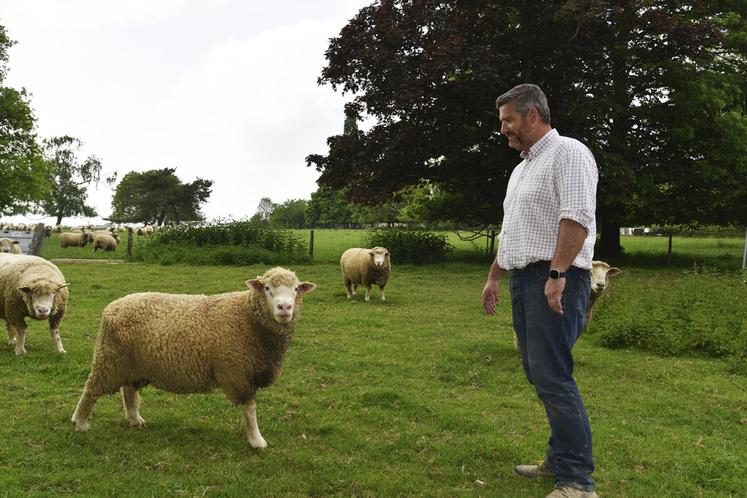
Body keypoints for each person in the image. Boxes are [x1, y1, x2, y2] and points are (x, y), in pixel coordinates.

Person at [482, 84, 599, 498]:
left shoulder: (569, 153)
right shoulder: (522, 168)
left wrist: (557, 274)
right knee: (540, 373)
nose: (503, 129)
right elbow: (514, 231)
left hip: (554, 280)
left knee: (553, 375)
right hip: (524, 279)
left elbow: (577, 217)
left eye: (508, 120)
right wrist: (496, 275)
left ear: (533, 115)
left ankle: (578, 482)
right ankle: (560, 458)